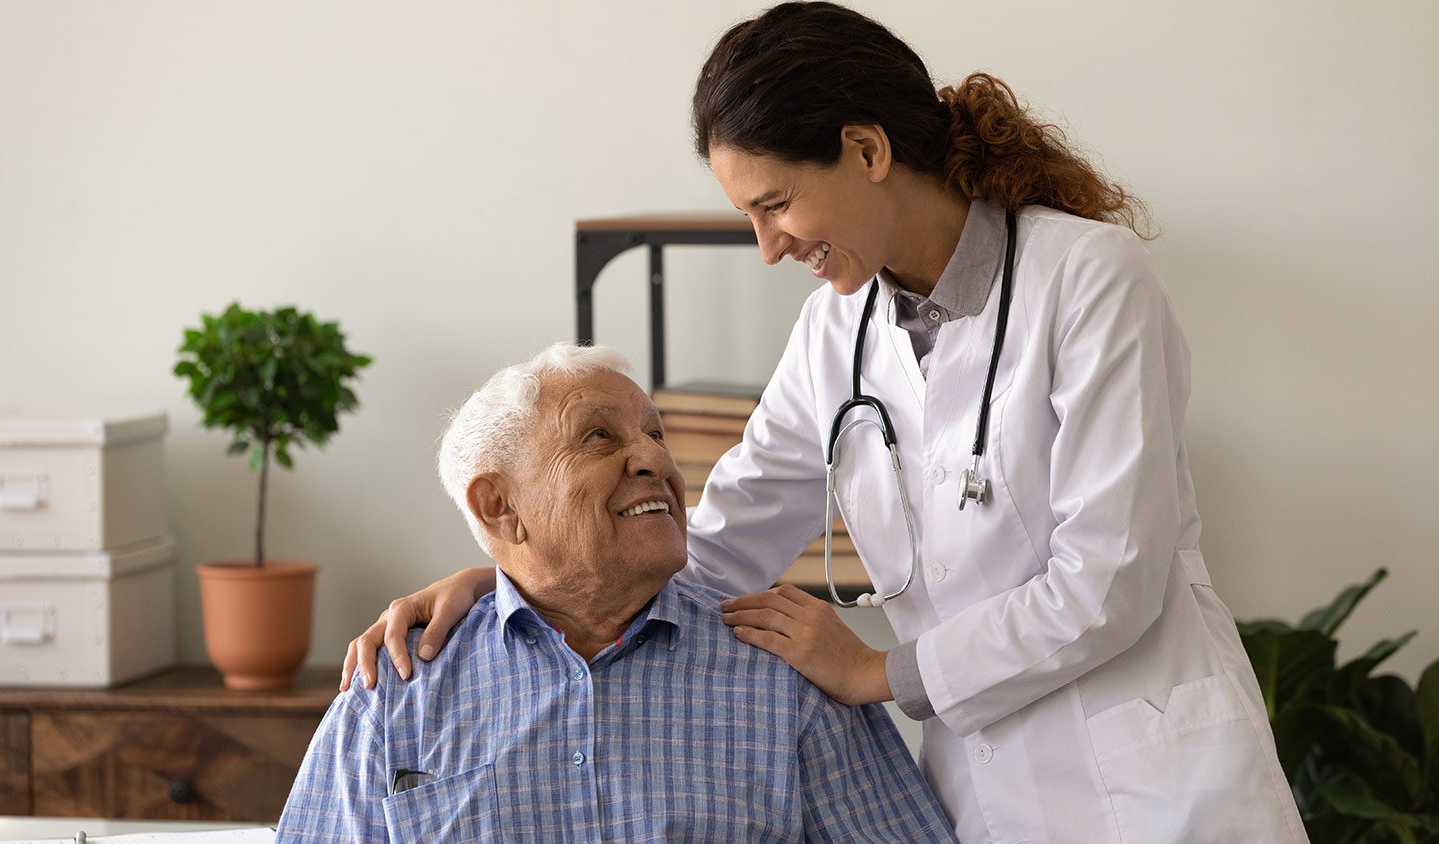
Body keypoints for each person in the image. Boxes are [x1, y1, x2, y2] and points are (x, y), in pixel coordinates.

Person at [343, 4, 1306, 842]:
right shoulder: (835, 330)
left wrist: (877, 671)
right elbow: (717, 549)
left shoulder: (1088, 280)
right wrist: (519, 575)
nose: (768, 248)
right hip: (987, 796)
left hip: (1156, 786)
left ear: (869, 150)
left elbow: (1111, 582)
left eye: (776, 205)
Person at [280, 343, 956, 842]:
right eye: (599, 436)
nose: (656, 459)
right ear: (498, 508)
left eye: (657, 435)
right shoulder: (393, 694)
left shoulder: (785, 673)